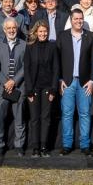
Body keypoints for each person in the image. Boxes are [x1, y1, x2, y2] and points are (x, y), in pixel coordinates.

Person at [58, 8, 93, 155]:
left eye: (81, 18)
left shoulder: (91, 37)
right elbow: (57, 60)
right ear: (71, 20)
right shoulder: (62, 36)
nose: (78, 21)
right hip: (67, 82)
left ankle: (85, 145)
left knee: (85, 114)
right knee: (67, 114)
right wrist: (60, 79)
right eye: (75, 19)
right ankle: (67, 145)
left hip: (85, 83)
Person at [24, 20, 60, 157]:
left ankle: (44, 146)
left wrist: (53, 89)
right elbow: (26, 69)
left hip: (47, 88)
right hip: (33, 88)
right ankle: (35, 148)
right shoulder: (30, 47)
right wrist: (28, 89)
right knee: (34, 118)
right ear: (36, 32)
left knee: (46, 117)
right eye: (40, 31)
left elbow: (56, 69)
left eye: (45, 31)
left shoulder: (52, 47)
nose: (43, 34)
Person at [0, 17, 27, 156]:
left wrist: (14, 81)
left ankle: (19, 145)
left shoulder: (24, 45)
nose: (11, 30)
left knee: (19, 118)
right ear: (4, 30)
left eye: (14, 28)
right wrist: (5, 82)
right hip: (2, 86)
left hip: (19, 86)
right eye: (9, 28)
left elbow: (26, 66)